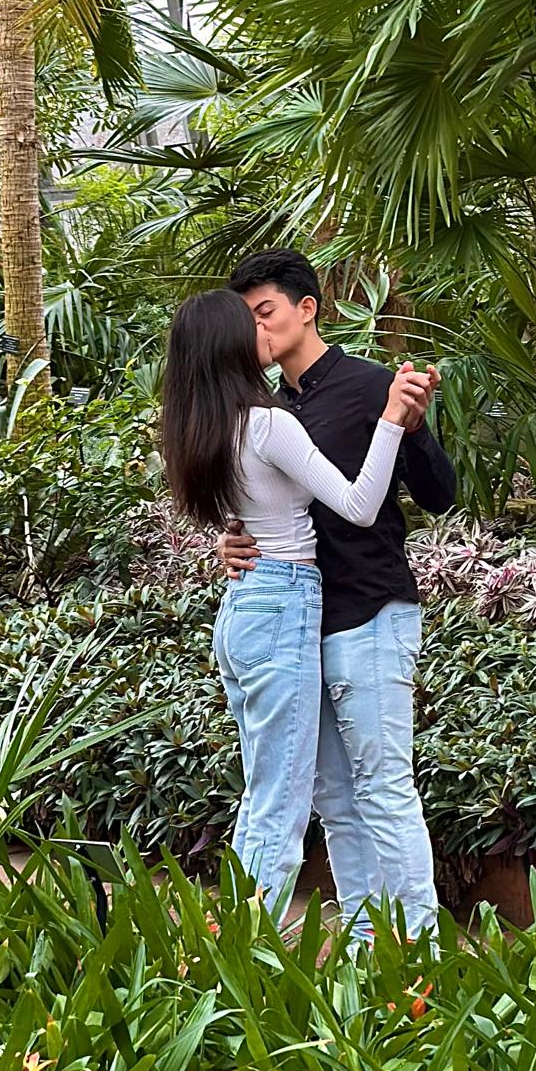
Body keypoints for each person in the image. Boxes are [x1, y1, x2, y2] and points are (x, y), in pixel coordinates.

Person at [161, 288, 431, 915]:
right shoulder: (269, 421)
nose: (262, 330)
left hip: (245, 608)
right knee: (281, 807)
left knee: (274, 795)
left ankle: (326, 942)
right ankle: (243, 959)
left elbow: (248, 515)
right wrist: (391, 420)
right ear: (229, 344)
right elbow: (361, 506)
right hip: (282, 603)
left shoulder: (204, 425)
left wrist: (234, 538)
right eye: (247, 322)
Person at [221, 250, 456, 940]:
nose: (256, 332)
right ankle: (363, 948)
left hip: (372, 609)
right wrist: (228, 540)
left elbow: (439, 497)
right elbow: (259, 510)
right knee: (334, 797)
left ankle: (419, 951)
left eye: (264, 313)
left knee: (384, 787)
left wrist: (409, 424)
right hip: (297, 622)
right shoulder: (261, 411)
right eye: (246, 321)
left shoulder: (371, 387)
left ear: (306, 308)